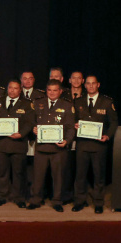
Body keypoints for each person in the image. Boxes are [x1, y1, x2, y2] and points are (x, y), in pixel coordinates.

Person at [72, 75, 118, 214]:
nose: (91, 86)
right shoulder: (78, 101)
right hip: (82, 144)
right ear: (85, 85)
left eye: (93, 83)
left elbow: (114, 122)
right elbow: (73, 119)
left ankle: (98, 202)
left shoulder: (107, 102)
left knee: (99, 176)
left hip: (99, 145)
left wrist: (107, 135)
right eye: (88, 83)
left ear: (98, 85)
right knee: (80, 175)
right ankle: (79, 201)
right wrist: (74, 125)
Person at [28, 79, 76, 211]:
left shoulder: (67, 105)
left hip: (58, 148)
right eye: (49, 90)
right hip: (41, 148)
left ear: (60, 91)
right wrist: (34, 129)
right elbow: (31, 122)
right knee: (38, 176)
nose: (52, 93)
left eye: (55, 90)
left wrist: (67, 141)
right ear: (46, 90)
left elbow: (71, 127)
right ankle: (36, 200)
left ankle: (57, 201)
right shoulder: (37, 103)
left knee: (58, 177)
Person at [0, 81, 35, 207]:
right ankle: (2, 196)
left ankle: (19, 198)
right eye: (10, 88)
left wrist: (21, 134)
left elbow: (30, 123)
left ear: (20, 90)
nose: (12, 90)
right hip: (2, 144)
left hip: (18, 144)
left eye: (15, 88)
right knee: (2, 172)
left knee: (18, 173)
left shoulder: (27, 104)